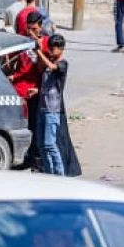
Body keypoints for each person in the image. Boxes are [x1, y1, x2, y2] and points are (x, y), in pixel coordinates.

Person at [32, 34, 81, 177]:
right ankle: (50, 174)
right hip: (42, 108)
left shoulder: (62, 64)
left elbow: (52, 67)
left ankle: (60, 174)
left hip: (52, 110)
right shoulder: (48, 60)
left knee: (50, 144)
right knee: (42, 145)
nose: (51, 51)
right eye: (50, 48)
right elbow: (41, 68)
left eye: (53, 49)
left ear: (61, 49)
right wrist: (38, 49)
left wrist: (39, 52)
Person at [10, 10, 47, 170]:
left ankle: (36, 159)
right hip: (19, 91)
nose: (31, 32)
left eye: (34, 29)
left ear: (40, 27)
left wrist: (38, 49)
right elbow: (12, 63)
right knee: (21, 127)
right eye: (29, 29)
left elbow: (43, 69)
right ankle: (25, 157)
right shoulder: (22, 42)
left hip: (35, 91)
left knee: (35, 126)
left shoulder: (45, 43)